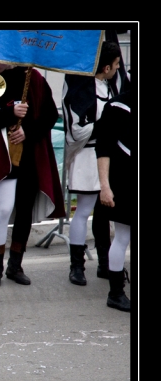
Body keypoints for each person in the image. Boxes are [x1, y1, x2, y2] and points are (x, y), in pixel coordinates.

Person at [0, 62, 65, 287]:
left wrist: (28, 132)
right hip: (3, 157)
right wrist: (9, 113)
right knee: (3, 208)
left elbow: (50, 115)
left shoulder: (33, 78)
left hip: (30, 156)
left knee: (25, 208)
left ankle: (15, 265)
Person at [62, 41, 124, 285]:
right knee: (84, 210)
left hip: (106, 155)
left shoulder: (108, 87)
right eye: (117, 65)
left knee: (104, 212)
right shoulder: (82, 89)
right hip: (87, 155)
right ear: (106, 67)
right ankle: (76, 266)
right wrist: (106, 126)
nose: (119, 69)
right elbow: (77, 129)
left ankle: (105, 263)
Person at [95, 85, 134, 312]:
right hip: (125, 181)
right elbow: (103, 149)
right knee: (122, 237)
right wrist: (105, 187)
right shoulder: (116, 106)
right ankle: (116, 293)